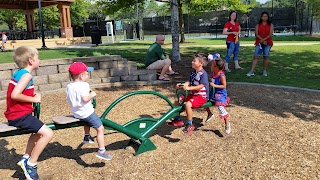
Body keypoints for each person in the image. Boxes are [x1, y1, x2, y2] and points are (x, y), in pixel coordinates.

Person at [4, 46, 54, 180]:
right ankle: (31, 164)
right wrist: (34, 99)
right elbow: (15, 95)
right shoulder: (26, 75)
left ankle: (25, 158)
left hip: (17, 114)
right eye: (38, 57)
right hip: (19, 116)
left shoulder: (19, 73)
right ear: (31, 61)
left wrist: (32, 94)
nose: (39, 60)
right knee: (48, 133)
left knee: (37, 132)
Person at [66, 62, 112, 161]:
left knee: (87, 122)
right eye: (87, 73)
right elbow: (85, 99)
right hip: (86, 113)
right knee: (100, 128)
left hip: (76, 113)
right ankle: (102, 151)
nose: (88, 75)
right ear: (82, 76)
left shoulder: (70, 86)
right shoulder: (84, 85)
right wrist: (92, 95)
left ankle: (87, 136)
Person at [167, 53, 209, 135]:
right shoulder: (193, 72)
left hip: (201, 97)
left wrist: (189, 88)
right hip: (194, 95)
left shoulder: (203, 74)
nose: (192, 62)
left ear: (201, 63)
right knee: (177, 101)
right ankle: (178, 119)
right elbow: (189, 82)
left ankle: (190, 124)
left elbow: (201, 86)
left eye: (194, 61)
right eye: (192, 61)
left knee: (187, 104)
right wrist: (182, 85)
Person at [205, 58, 231, 134]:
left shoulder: (221, 76)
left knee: (220, 107)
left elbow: (224, 86)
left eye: (212, 65)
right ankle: (209, 113)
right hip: (213, 91)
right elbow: (212, 80)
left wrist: (214, 85)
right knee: (204, 99)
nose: (211, 66)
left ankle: (227, 124)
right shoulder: (213, 73)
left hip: (220, 94)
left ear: (216, 67)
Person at [246, 12, 274, 77]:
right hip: (259, 43)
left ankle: (264, 71)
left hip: (267, 43)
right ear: (261, 17)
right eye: (263, 16)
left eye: (266, 16)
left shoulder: (271, 25)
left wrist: (264, 40)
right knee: (256, 57)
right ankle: (251, 71)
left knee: (266, 56)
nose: (264, 17)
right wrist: (261, 40)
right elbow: (256, 34)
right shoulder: (258, 25)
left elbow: (270, 34)